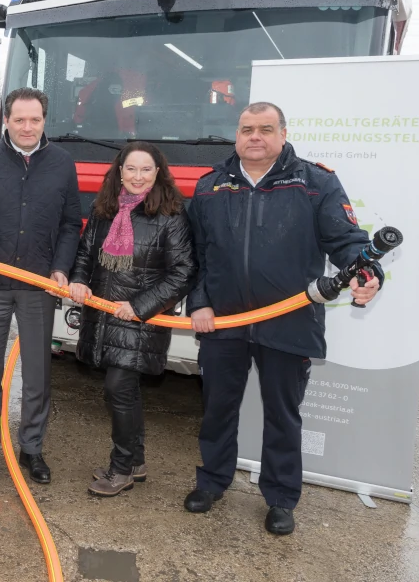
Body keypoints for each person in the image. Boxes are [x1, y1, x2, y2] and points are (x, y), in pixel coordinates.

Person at [184, 102, 382, 535]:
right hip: (223, 324)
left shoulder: (316, 183)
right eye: (247, 129)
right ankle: (212, 482)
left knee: (282, 415)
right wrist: (198, 302)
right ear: (236, 135)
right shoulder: (209, 187)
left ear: (283, 133)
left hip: (290, 322)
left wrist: (367, 272)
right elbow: (195, 256)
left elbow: (348, 242)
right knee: (217, 409)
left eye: (265, 129)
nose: (255, 137)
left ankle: (280, 499)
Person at [0, 87, 82, 484]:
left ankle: (32, 449)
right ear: (5, 120)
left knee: (38, 375)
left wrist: (61, 268)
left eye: (35, 119)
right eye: (19, 119)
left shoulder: (62, 162)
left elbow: (70, 224)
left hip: (39, 284)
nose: (28, 127)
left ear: (45, 121)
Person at [68, 141, 196, 497]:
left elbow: (183, 272)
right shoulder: (103, 210)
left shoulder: (171, 215)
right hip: (103, 315)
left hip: (140, 320)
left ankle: (121, 469)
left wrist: (141, 306)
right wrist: (78, 279)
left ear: (158, 173)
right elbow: (84, 253)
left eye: (146, 169)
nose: (138, 177)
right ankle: (136, 461)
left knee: (118, 390)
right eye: (131, 169)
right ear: (119, 172)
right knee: (123, 393)